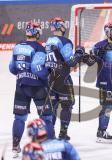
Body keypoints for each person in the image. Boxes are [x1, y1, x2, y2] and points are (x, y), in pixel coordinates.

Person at [9, 21, 54, 158]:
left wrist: (23, 75)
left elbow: (12, 68)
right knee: (46, 117)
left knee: (19, 117)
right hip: (39, 87)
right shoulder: (39, 48)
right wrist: (49, 72)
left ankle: (15, 147)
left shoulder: (17, 47)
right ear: (38, 33)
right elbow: (37, 68)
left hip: (21, 86)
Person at [86, 22, 112, 143]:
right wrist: (91, 55)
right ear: (107, 33)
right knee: (107, 108)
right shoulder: (99, 46)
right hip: (106, 82)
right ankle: (101, 132)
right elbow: (90, 62)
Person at [45, 17, 85, 140]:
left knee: (53, 107)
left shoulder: (48, 41)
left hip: (50, 78)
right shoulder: (64, 41)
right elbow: (71, 61)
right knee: (67, 106)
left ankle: (50, 134)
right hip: (63, 79)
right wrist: (79, 52)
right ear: (62, 27)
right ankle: (63, 133)